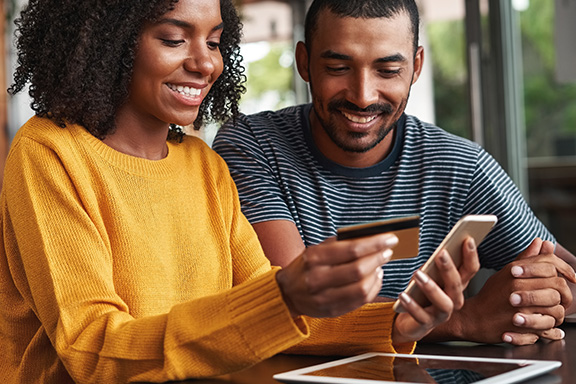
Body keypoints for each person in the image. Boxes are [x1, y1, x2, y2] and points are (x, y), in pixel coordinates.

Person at [0, 0, 477, 383]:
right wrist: (284, 296)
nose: (205, 62)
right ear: (110, 42)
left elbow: (263, 315)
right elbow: (93, 350)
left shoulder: (203, 165)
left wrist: (394, 323)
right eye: (173, 38)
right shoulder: (49, 152)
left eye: (213, 41)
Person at [212, 0, 576, 346]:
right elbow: (293, 309)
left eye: (388, 70)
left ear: (416, 67)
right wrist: (465, 320)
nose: (363, 96)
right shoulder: (253, 146)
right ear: (304, 62)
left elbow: (565, 284)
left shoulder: (459, 166)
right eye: (338, 68)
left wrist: (536, 294)